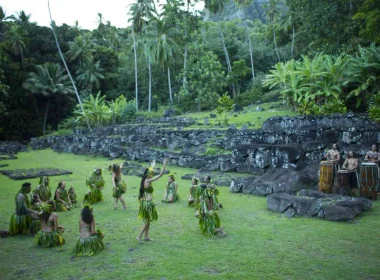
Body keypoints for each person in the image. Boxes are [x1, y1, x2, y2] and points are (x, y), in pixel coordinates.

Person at [136, 158, 168, 244]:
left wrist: (152, 165)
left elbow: (150, 170)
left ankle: (146, 236)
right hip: (147, 203)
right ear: (148, 174)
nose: (152, 174)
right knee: (147, 221)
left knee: (148, 221)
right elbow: (160, 175)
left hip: (146, 203)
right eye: (151, 173)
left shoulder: (144, 180)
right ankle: (139, 236)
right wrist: (164, 164)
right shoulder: (148, 180)